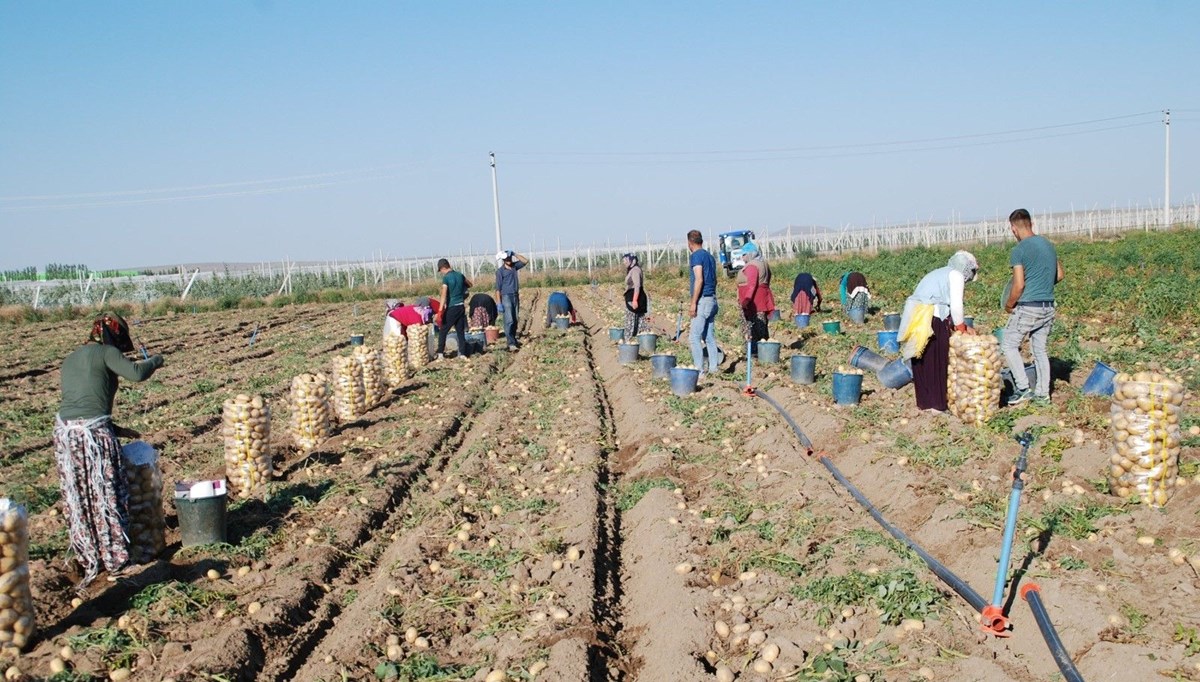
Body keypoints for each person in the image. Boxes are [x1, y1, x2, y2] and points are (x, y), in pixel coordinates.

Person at [54, 313, 164, 587]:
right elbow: (137, 374)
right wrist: (158, 359)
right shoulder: (106, 352)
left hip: (67, 436)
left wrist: (117, 429)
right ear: (111, 334)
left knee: (80, 496)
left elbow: (81, 405)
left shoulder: (70, 359)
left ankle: (90, 557)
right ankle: (118, 561)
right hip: (93, 436)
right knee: (107, 493)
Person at [898, 252, 979, 413]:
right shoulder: (955, 275)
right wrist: (961, 327)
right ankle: (937, 404)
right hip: (932, 320)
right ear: (967, 268)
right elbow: (956, 306)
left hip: (918, 318)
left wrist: (960, 326)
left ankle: (925, 403)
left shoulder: (940, 272)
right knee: (938, 359)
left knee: (922, 359)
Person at [1001, 208, 1064, 405]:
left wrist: (1010, 304)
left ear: (1013, 229)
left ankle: (1022, 388)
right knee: (1039, 350)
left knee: (1009, 344)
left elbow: (1018, 284)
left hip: (1029, 306)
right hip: (1048, 306)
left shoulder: (1019, 250)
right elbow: (1060, 274)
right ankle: (1043, 394)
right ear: (1031, 224)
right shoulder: (1047, 244)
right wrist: (1041, 284)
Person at [686, 229, 720, 377]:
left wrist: (694, 302)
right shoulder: (710, 257)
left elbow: (699, 279)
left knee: (694, 337)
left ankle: (699, 371)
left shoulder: (696, 256)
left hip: (703, 300)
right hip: (712, 298)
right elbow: (715, 279)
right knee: (709, 337)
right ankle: (713, 368)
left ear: (690, 243)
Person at [735, 242, 776, 353]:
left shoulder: (752, 265)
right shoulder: (762, 262)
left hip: (754, 303)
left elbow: (752, 284)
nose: (742, 258)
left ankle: (754, 351)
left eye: (744, 255)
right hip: (762, 299)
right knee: (761, 326)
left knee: (753, 327)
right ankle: (764, 351)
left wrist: (747, 300)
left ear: (749, 254)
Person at [436, 258, 471, 359]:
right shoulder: (459, 275)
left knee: (443, 330)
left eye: (441, 271)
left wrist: (440, 311)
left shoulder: (446, 278)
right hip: (461, 306)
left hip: (452, 306)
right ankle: (463, 353)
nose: (441, 273)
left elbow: (443, 295)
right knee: (460, 331)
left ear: (443, 268)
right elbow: (470, 284)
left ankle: (440, 353)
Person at [495, 250, 528, 351]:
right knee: (509, 320)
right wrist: (499, 303)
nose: (508, 260)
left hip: (515, 295)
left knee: (515, 319)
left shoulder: (514, 267)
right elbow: (498, 289)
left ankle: (513, 339)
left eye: (509, 258)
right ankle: (510, 343)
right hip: (506, 296)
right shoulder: (500, 272)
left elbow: (525, 261)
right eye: (506, 259)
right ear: (503, 260)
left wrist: (514, 254)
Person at [622, 253, 647, 342]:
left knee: (631, 320)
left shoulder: (635, 270)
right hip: (633, 296)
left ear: (631, 260)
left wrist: (635, 300)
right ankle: (642, 340)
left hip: (635, 297)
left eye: (626, 260)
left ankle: (629, 341)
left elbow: (637, 286)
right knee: (638, 319)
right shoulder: (632, 269)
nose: (624, 262)